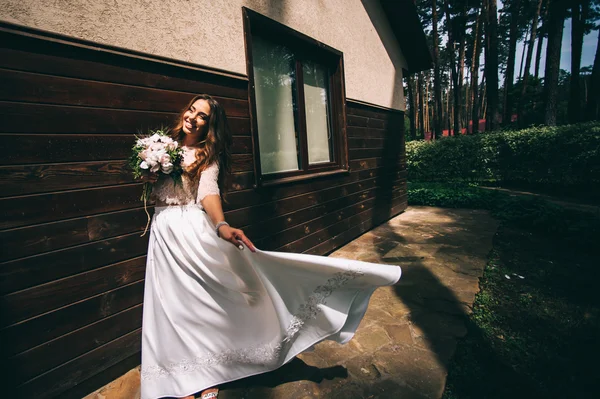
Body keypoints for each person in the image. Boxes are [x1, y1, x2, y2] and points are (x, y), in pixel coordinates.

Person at [139, 94, 401, 399]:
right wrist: (149, 170)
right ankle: (179, 377)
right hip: (162, 233)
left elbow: (208, 192)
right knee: (171, 305)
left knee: (206, 303)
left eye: (202, 116)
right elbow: (154, 192)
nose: (192, 117)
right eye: (191, 110)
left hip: (191, 233)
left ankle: (211, 371)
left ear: (209, 126)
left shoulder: (205, 156)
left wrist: (222, 225)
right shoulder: (159, 147)